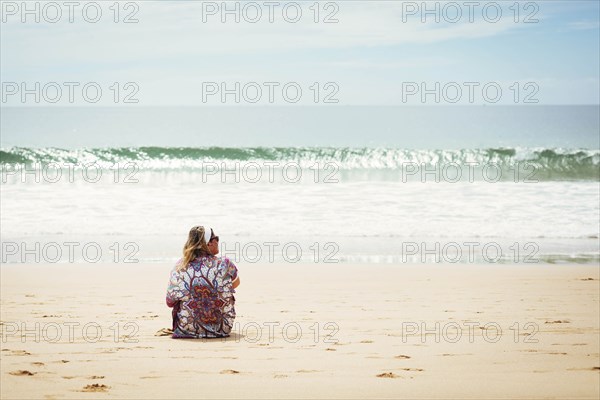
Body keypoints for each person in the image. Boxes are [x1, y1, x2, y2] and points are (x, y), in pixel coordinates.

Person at [166, 226, 240, 338]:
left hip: (188, 328)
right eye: (216, 238)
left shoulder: (180, 266)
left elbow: (170, 302)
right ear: (208, 243)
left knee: (180, 299)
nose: (218, 242)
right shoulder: (225, 263)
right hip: (222, 328)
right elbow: (236, 283)